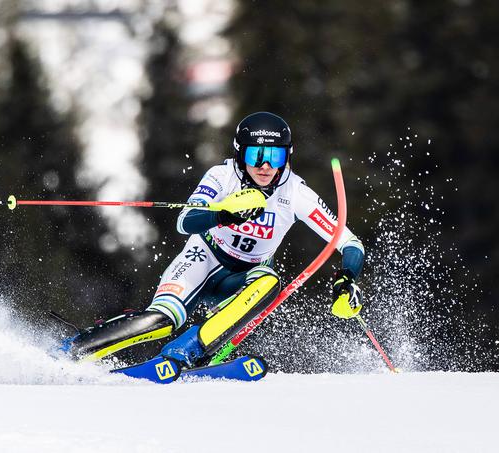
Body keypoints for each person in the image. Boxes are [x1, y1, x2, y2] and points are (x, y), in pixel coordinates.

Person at [63, 112, 365, 367]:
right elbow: (185, 221)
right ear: (239, 153)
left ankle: (185, 353)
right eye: (255, 155)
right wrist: (223, 215)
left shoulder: (295, 192)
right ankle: (75, 349)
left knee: (269, 282)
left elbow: (349, 242)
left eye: (275, 156)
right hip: (204, 258)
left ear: (287, 157)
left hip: (244, 277)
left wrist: (347, 277)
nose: (265, 166)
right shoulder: (222, 177)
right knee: (161, 321)